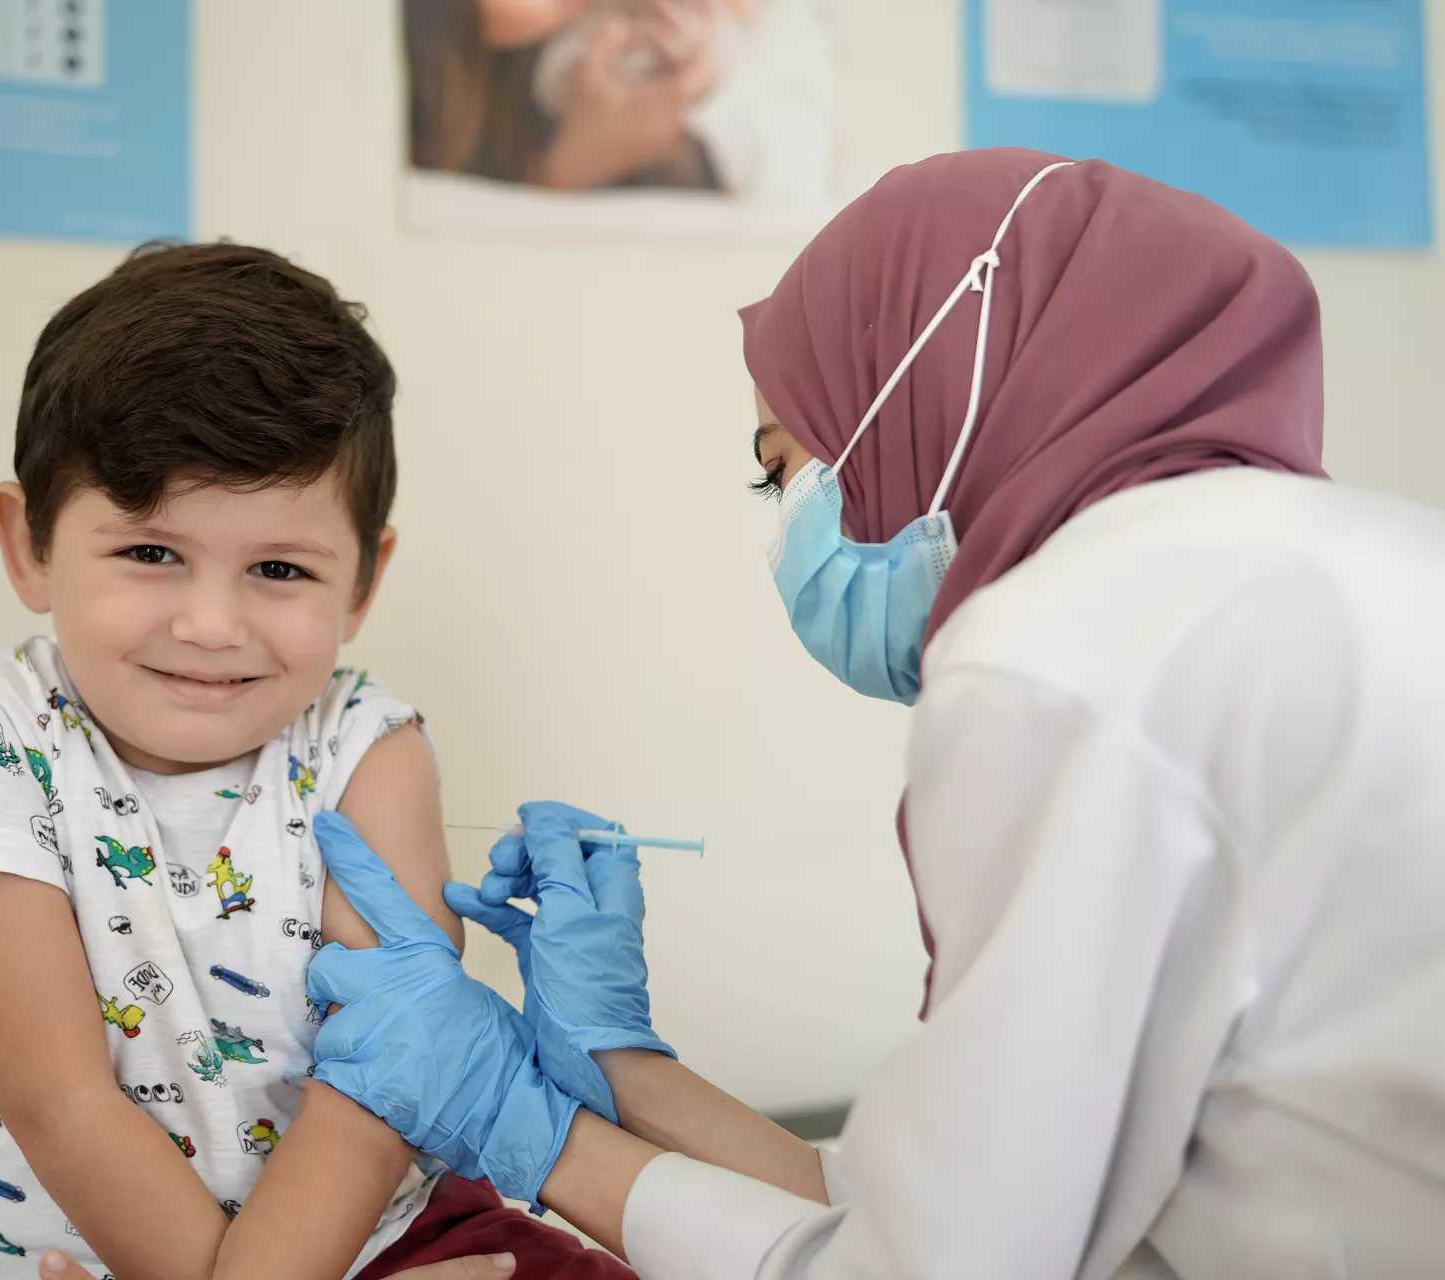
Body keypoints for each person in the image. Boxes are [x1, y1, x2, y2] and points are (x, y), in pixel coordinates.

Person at [250, 150, 1445, 1277]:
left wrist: (523, 1124)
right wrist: (620, 1062)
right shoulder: (1321, 567)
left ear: (933, 383)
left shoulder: (1064, 657)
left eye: (782, 468)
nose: (789, 532)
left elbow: (929, 1266)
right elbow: (955, 1204)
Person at [0, 243, 631, 1278]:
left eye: (279, 568)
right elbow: (61, 1098)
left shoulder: (370, 743)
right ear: (30, 543)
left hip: (388, 1233)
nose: (213, 622)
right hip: (97, 1259)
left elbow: (385, 1069)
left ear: (362, 581)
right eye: (149, 551)